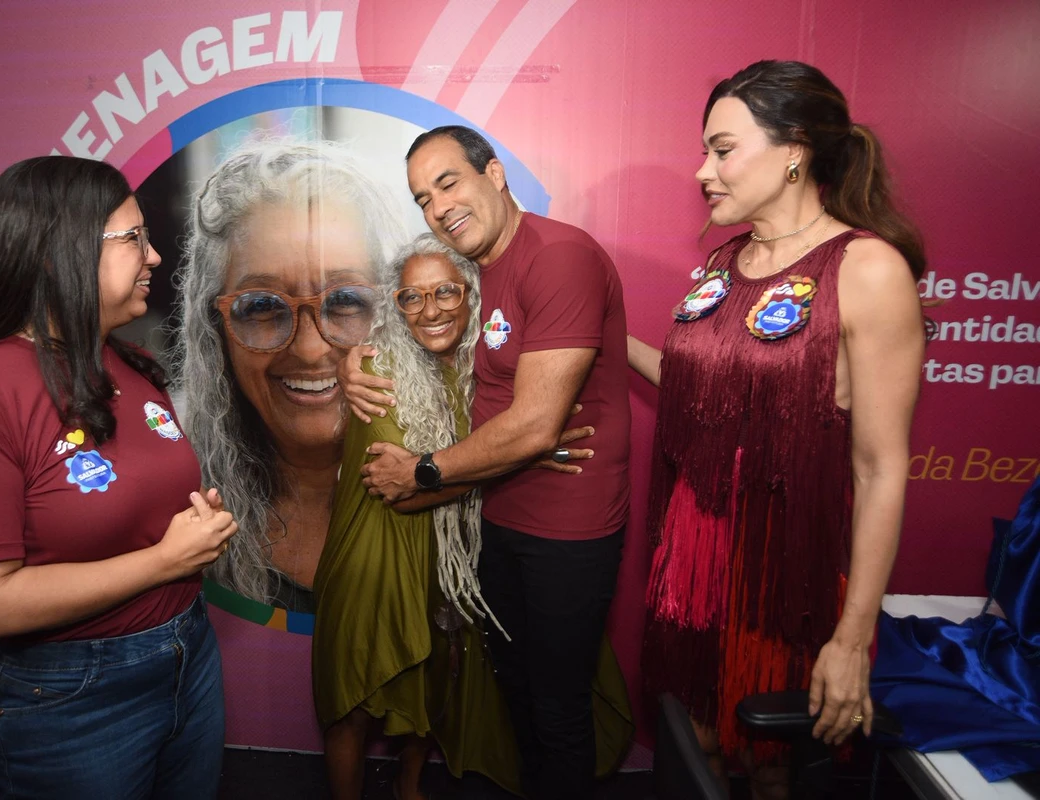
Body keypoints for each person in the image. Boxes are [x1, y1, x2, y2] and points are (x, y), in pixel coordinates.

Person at [628, 60, 925, 796]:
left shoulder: (865, 268)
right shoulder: (723, 264)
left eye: (722, 150)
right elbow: (702, 394)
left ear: (794, 149)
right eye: (705, 152)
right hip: (691, 571)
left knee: (771, 773)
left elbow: (880, 469)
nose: (703, 171)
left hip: (784, 581)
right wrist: (606, 344)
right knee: (693, 757)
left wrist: (852, 641)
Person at [0, 156, 237, 799]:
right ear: (61, 252)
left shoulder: (126, 362)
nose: (155, 256)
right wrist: (165, 560)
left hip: (185, 654)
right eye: (133, 237)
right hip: (71, 694)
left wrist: (188, 528)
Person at [347, 126, 634, 800]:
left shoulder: (558, 253)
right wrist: (349, 358)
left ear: (495, 173)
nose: (438, 206)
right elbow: (428, 325)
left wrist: (423, 469)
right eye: (422, 197)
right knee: (517, 686)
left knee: (558, 705)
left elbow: (533, 424)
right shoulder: (479, 269)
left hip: (566, 525)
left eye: (448, 182)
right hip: (499, 511)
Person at [174, 137, 409, 611]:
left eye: (345, 301)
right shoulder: (164, 499)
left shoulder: (464, 485)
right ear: (214, 329)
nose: (308, 348)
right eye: (261, 306)